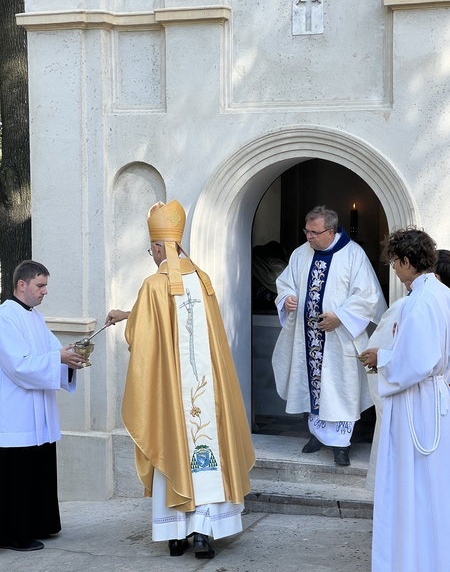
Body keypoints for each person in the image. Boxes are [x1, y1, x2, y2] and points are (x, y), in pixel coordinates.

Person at [106, 200, 255, 559]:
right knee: (208, 450)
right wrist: (131, 314)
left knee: (173, 443)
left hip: (174, 393)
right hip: (208, 390)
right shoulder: (203, 281)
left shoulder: (154, 285)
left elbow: (144, 338)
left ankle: (175, 534)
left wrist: (125, 318)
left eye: (151, 249)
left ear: (159, 247)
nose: (151, 254)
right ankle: (203, 533)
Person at [361, 229, 450, 572]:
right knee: (430, 486)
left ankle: (411, 559)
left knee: (412, 485)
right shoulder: (439, 294)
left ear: (407, 261)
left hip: (418, 402)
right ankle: (426, 556)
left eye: (396, 264)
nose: (395, 272)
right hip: (432, 397)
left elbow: (416, 361)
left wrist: (380, 358)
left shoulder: (421, 301)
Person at [272, 205, 386, 466]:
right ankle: (317, 435)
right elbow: (285, 283)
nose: (308, 237)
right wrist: (287, 299)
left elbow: (368, 296)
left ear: (330, 231)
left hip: (339, 339)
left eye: (314, 232)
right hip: (307, 338)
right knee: (312, 386)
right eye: (306, 231)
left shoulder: (353, 255)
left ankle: (341, 445)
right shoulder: (301, 254)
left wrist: (341, 317)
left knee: (340, 390)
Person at [0, 260, 85, 551]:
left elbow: (52, 352)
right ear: (21, 285)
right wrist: (58, 359)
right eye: (40, 285)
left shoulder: (35, 317)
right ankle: (14, 535)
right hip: (16, 414)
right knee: (17, 477)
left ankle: (40, 525)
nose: (44, 292)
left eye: (45, 286)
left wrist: (73, 356)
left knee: (38, 472)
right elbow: (19, 366)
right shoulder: (5, 317)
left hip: (39, 415)